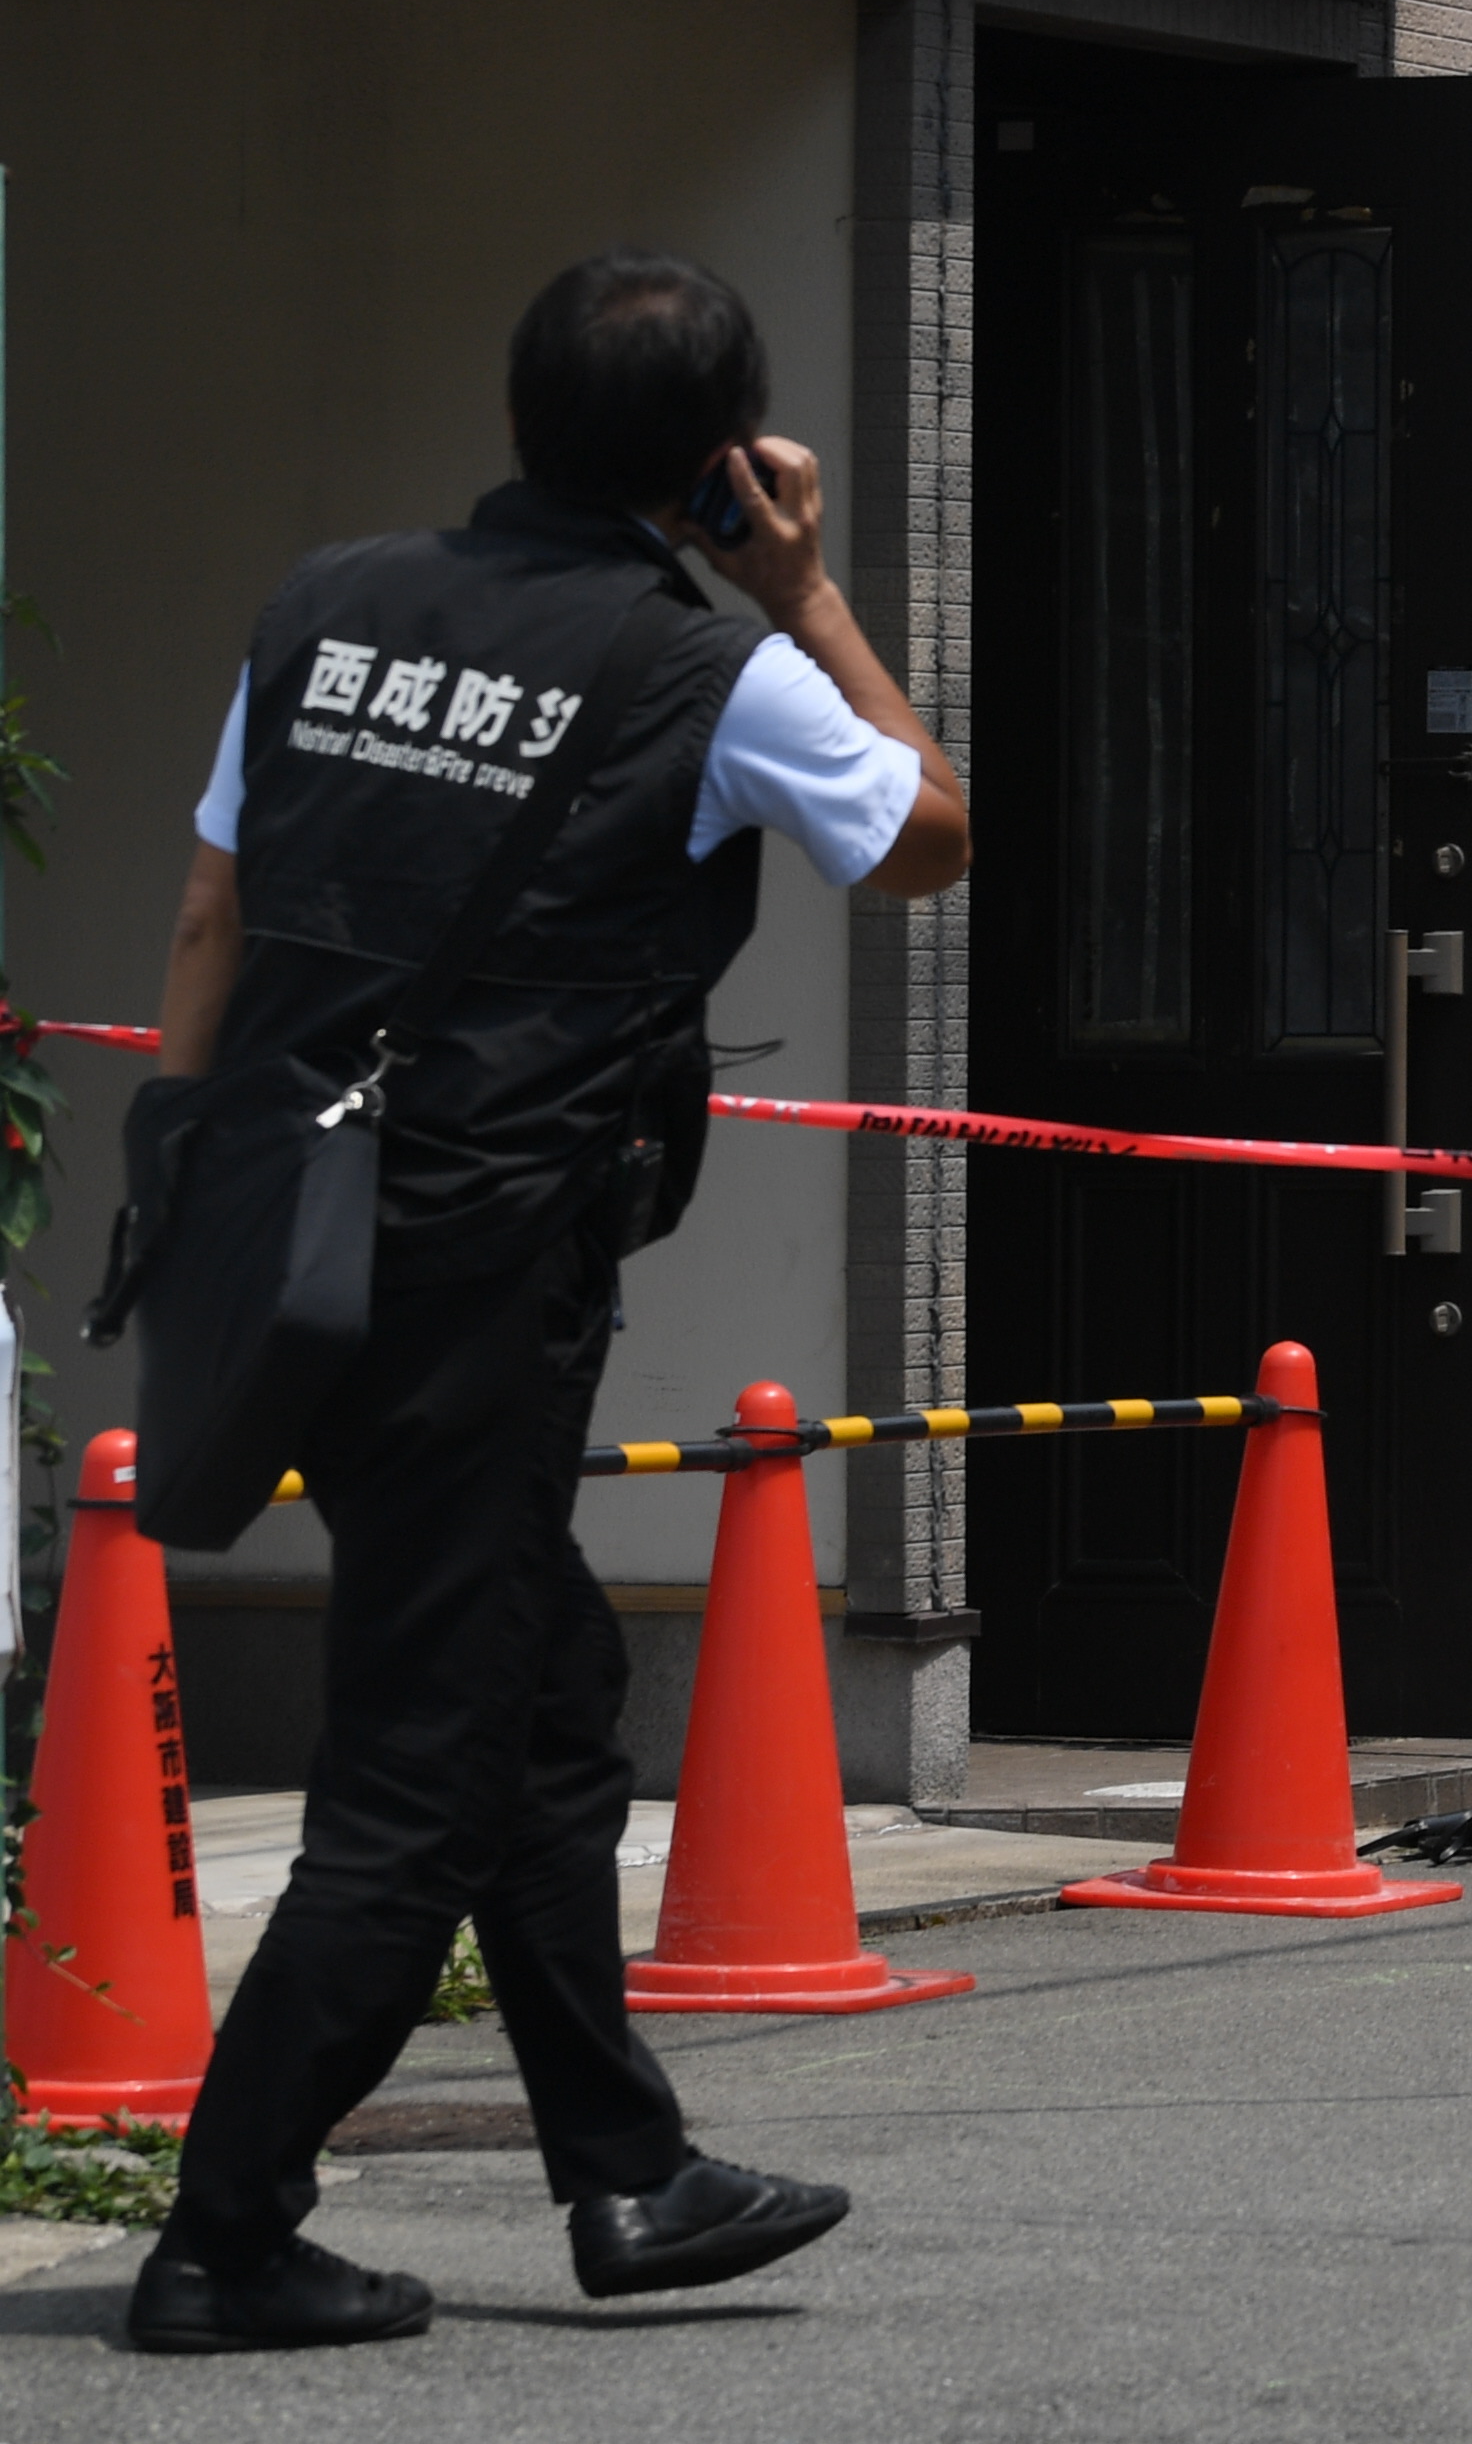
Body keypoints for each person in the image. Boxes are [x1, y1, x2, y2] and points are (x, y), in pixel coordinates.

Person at [119, 252, 972, 2355]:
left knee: (547, 1702)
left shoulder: (323, 602)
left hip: (297, 1246)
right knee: (417, 1774)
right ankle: (224, 2226)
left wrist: (190, 1179)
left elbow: (216, 904)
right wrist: (809, 595)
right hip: (482, 1276)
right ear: (722, 461)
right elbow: (932, 835)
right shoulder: (705, 668)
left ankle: (626, 2168)